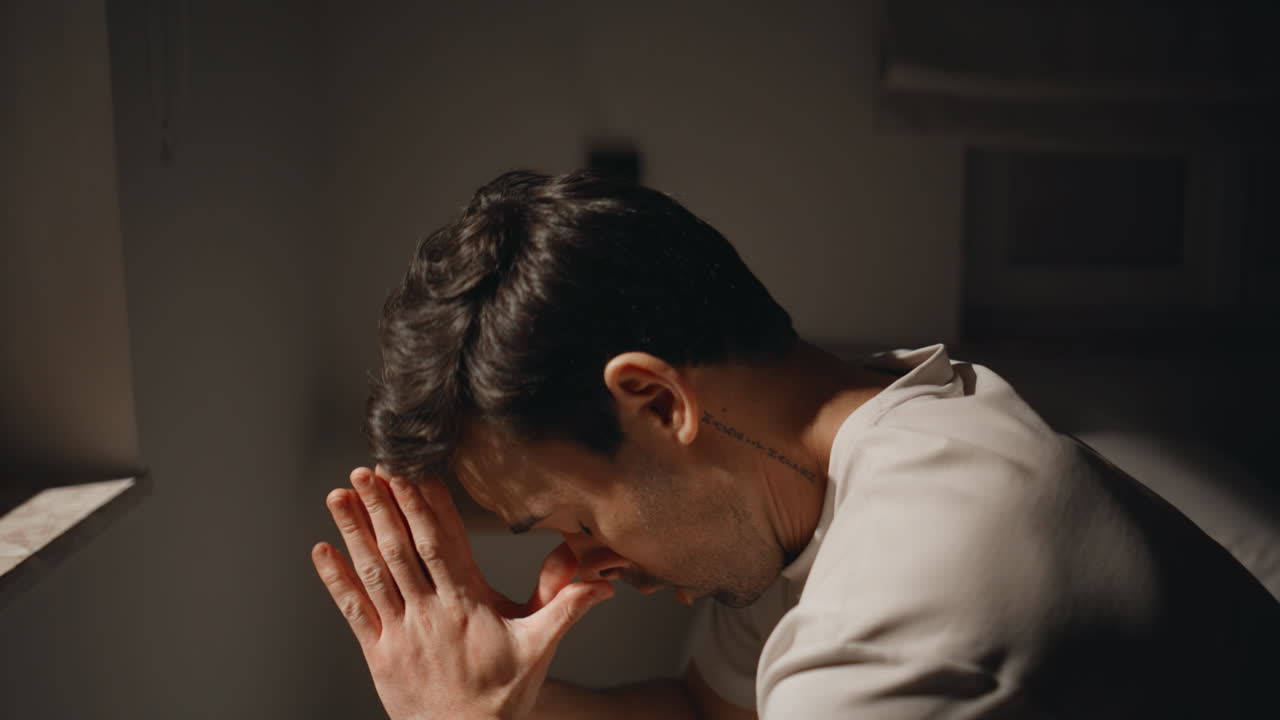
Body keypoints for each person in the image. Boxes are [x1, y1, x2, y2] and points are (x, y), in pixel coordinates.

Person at [311, 170, 1280, 719]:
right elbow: (702, 716)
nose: (578, 565)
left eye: (568, 516)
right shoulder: (846, 438)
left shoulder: (905, 604)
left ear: (653, 401)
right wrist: (501, 698)